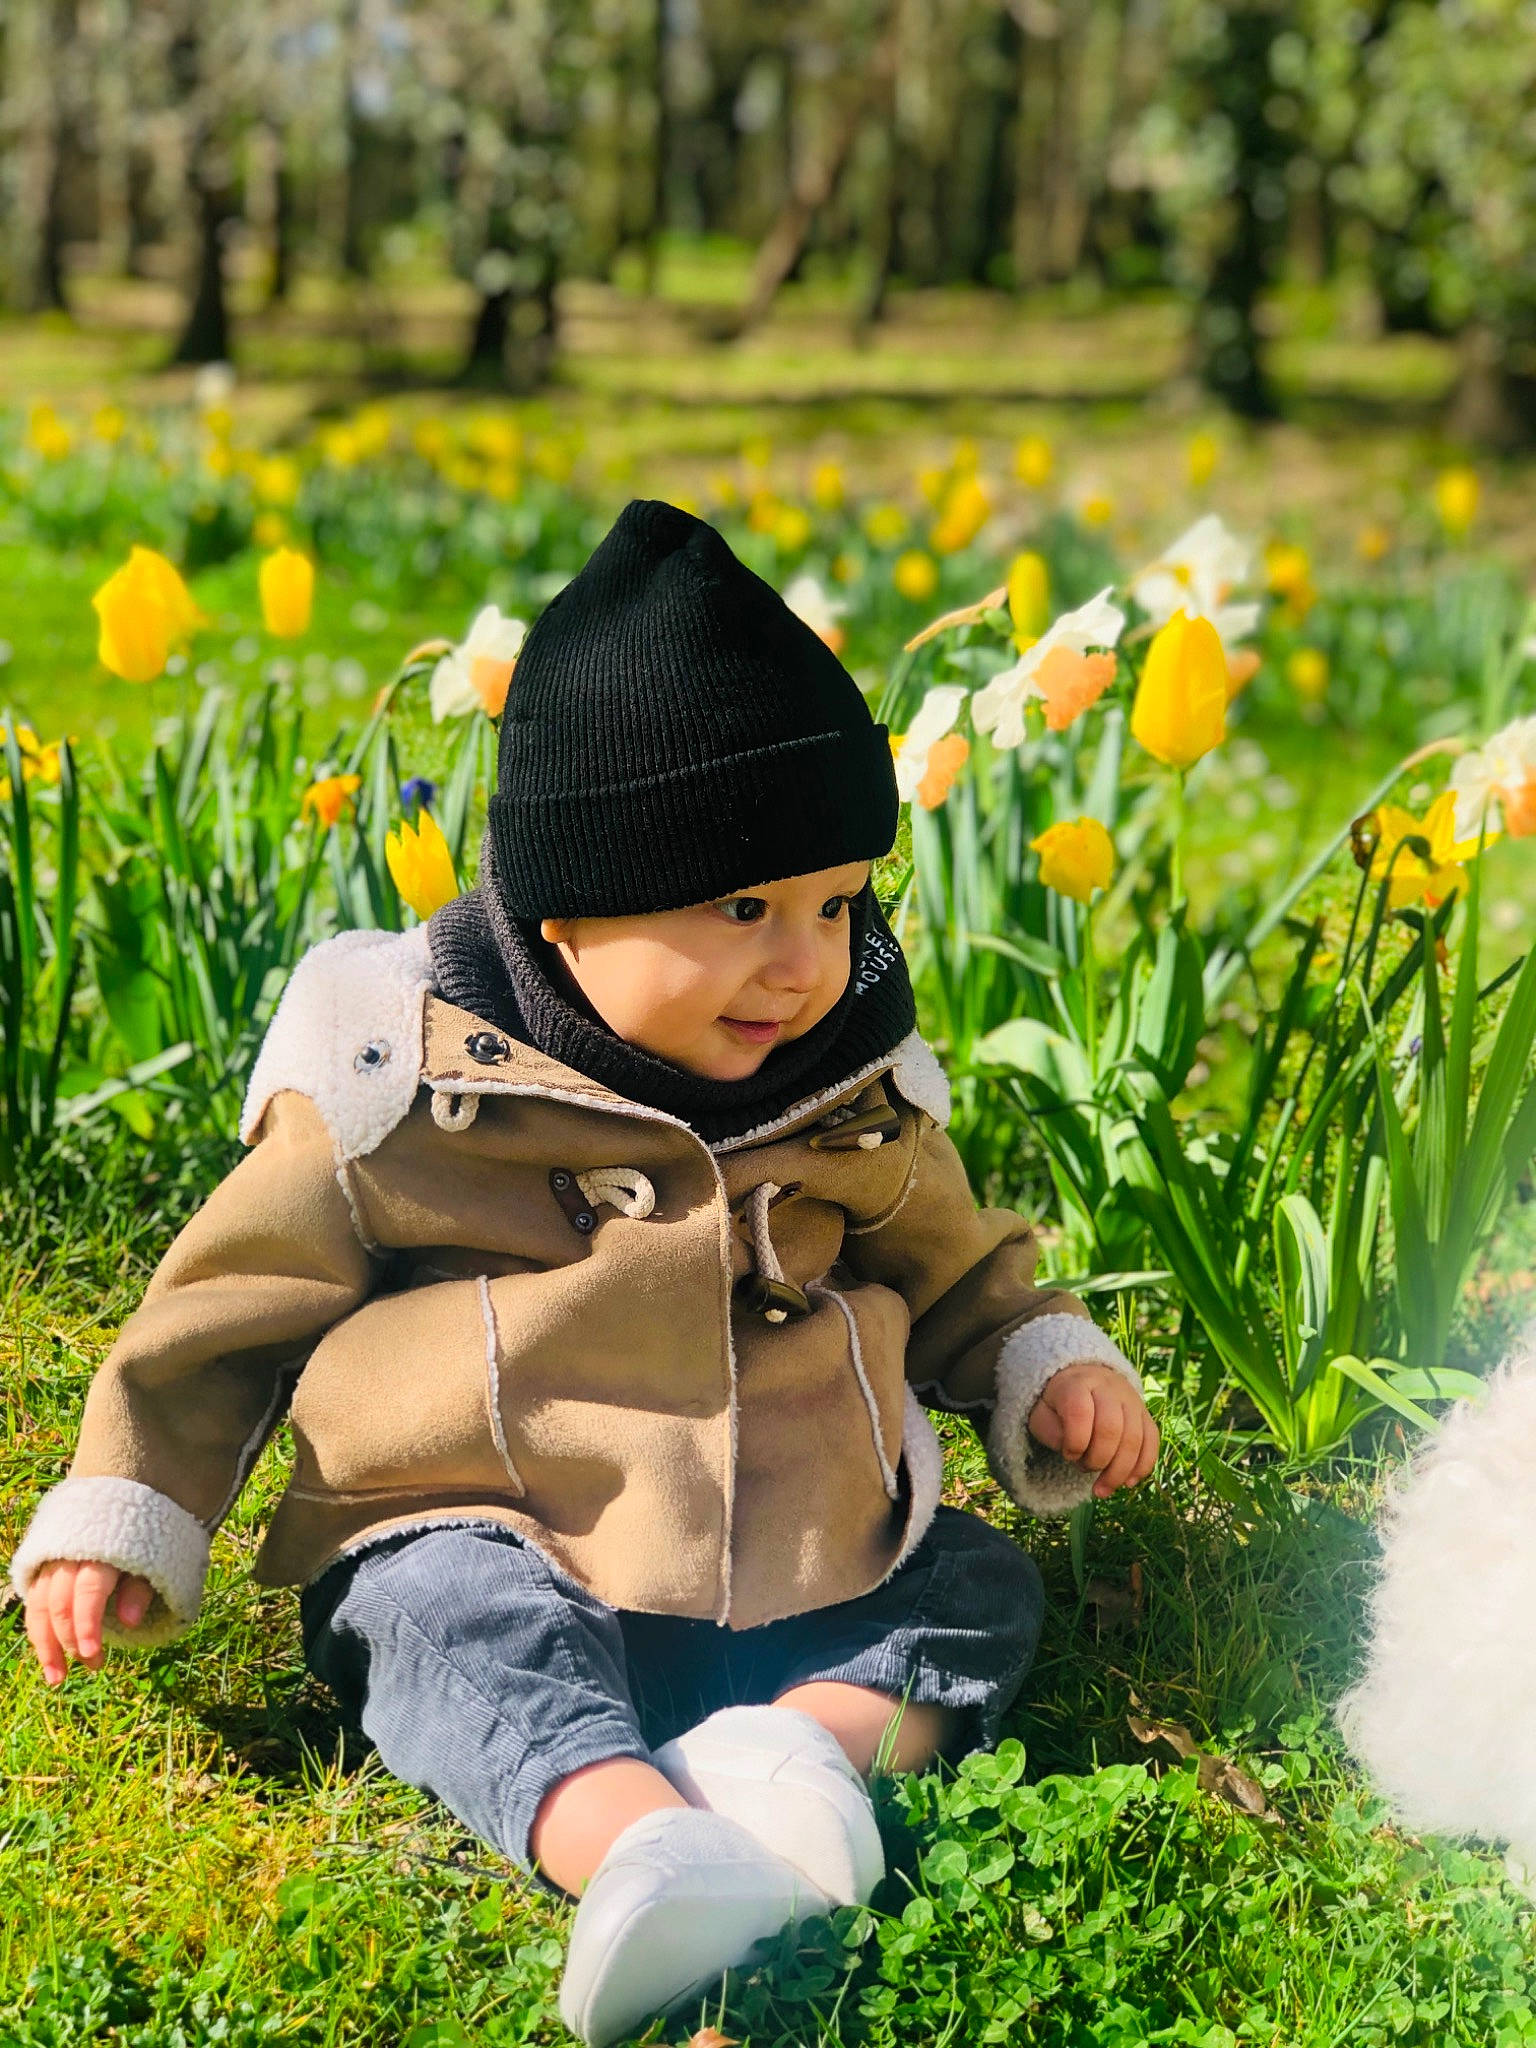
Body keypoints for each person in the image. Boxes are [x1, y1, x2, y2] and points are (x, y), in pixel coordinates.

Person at [12, 499, 1159, 2046]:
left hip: (797, 1529)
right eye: (742, 909)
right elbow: (227, 1311)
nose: (803, 963)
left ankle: (798, 1756)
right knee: (426, 1621)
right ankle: (630, 1840)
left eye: (836, 905)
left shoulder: (849, 1083)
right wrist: (132, 1503)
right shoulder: (404, 1085)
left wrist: (1044, 1360)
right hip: (496, 1510)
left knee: (970, 1589)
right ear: (567, 906)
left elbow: (957, 1261)